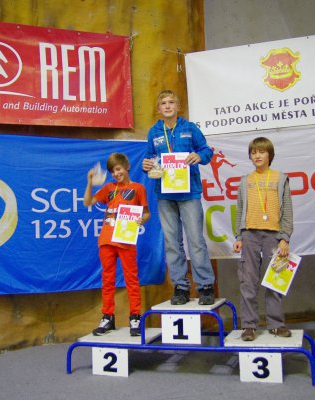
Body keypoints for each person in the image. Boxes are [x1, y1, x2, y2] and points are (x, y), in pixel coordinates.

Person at [142, 89, 216, 305]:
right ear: (158, 108)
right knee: (172, 242)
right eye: (163, 103)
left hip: (189, 192)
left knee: (196, 240)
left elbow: (207, 151)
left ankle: (205, 287)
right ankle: (181, 287)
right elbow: (149, 159)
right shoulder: (154, 132)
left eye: (171, 102)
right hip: (165, 194)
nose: (167, 106)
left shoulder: (190, 128)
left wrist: (198, 156)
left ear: (178, 106)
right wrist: (147, 165)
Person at [232, 137, 293, 341]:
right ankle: (249, 325)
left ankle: (276, 324)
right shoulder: (245, 180)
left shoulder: (281, 178)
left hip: (274, 235)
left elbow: (287, 212)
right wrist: (239, 235)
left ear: (270, 155)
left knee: (274, 280)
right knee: (248, 281)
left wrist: (284, 238)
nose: (257, 156)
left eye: (261, 152)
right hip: (249, 234)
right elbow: (240, 209)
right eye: (253, 152)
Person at [84, 153, 150, 336]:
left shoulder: (138, 188)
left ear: (127, 167)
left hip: (126, 239)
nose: (116, 174)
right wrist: (90, 182)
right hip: (106, 239)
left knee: (131, 279)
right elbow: (88, 202)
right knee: (107, 279)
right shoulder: (108, 188)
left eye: (118, 169)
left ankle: (135, 317)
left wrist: (140, 220)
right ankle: (107, 317)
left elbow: (146, 214)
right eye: (112, 171)